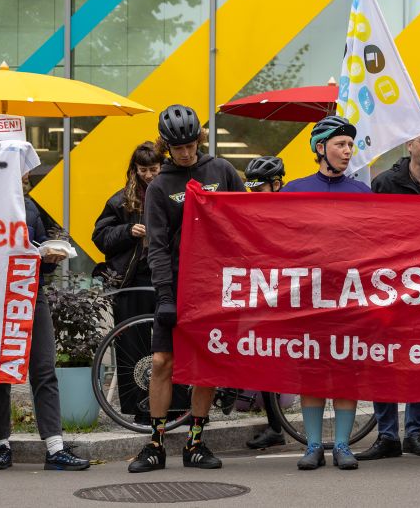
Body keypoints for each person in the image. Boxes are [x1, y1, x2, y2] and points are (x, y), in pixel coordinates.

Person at [128, 104, 244, 473]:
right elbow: (157, 246)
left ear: (199, 138)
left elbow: (248, 217)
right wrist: (165, 295)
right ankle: (155, 444)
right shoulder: (160, 185)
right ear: (167, 146)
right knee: (163, 362)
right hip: (177, 284)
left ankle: (196, 443)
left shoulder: (221, 170)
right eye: (177, 147)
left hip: (214, 284)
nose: (185, 153)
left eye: (190, 144)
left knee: (205, 366)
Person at [0, 177, 91, 471]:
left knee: (44, 368)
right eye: (20, 176)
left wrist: (52, 256)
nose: (25, 181)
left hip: (32, 293)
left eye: (27, 177)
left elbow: (41, 253)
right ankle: (1, 446)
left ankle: (55, 449)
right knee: (0, 372)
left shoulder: (31, 209)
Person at [281, 115, 369, 471]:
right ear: (321, 148)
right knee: (312, 370)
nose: (349, 151)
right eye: (341, 145)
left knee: (347, 369)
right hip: (308, 297)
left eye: (351, 145)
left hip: (350, 296)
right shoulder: (293, 191)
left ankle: (344, 446)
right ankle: (314, 445)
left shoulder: (363, 192)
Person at [354, 129, 420, 461]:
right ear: (409, 145)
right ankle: (388, 435)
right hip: (388, 287)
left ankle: (414, 434)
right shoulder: (384, 184)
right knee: (384, 358)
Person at [91, 142, 163, 425]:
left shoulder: (172, 195)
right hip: (132, 281)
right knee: (131, 347)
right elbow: (100, 237)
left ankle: (171, 404)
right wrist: (127, 231)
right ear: (134, 170)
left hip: (163, 278)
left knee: (165, 346)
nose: (148, 175)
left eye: (154, 169)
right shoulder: (120, 201)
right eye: (143, 170)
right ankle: (138, 407)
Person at [242, 155, 289, 450]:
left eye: (258, 190)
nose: (252, 196)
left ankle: (277, 425)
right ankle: (274, 425)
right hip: (259, 289)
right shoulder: (251, 209)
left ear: (276, 184)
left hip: (284, 292)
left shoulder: (289, 209)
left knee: (272, 357)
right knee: (260, 355)